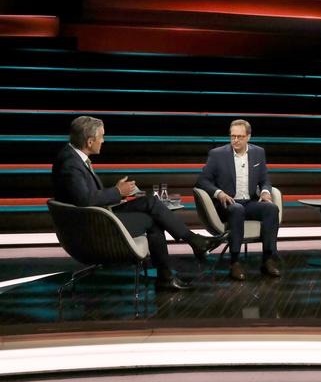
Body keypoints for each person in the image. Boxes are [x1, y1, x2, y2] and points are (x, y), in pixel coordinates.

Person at [52, 116, 224, 291]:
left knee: (151, 202)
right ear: (89, 141)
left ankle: (188, 249)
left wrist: (118, 192)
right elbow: (85, 200)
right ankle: (176, 265)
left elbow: (85, 195)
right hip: (93, 226)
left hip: (97, 216)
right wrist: (118, 191)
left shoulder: (72, 156)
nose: (103, 141)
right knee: (153, 220)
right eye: (101, 137)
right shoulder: (70, 164)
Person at [195, 119, 280, 281]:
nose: (235, 140)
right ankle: (234, 262)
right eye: (232, 136)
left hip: (250, 202)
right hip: (228, 204)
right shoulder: (217, 154)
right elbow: (202, 181)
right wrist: (219, 193)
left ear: (248, 136)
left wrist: (265, 192)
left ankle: (268, 259)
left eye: (240, 137)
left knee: (271, 209)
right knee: (237, 209)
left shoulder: (258, 152)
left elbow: (265, 179)